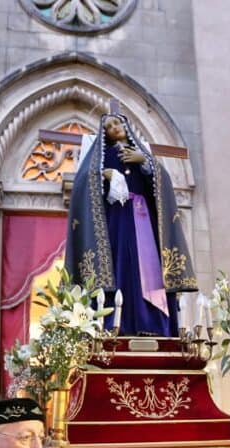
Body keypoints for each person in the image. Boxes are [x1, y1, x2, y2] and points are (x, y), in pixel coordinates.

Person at [65, 112, 197, 336]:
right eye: (108, 126)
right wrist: (102, 174)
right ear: (104, 133)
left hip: (142, 218)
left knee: (146, 268)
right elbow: (84, 181)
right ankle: (115, 323)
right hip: (116, 222)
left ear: (126, 125)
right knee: (120, 266)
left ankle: (151, 322)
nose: (114, 128)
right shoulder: (102, 156)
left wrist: (145, 161)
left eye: (117, 123)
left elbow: (161, 183)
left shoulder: (141, 154)